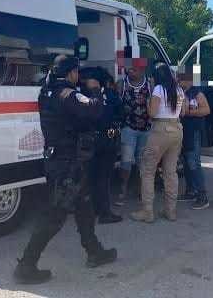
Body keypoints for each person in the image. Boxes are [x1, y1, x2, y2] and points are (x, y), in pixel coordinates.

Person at [14, 56, 117, 284]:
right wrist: (97, 91)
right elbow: (94, 110)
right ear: (71, 73)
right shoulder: (67, 94)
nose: (78, 77)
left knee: (84, 205)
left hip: (59, 160)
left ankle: (94, 251)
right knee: (55, 215)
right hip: (67, 163)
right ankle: (27, 265)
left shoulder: (47, 91)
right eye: (76, 73)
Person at [131, 63, 186, 223]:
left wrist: (148, 101)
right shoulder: (179, 90)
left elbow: (153, 113)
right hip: (177, 130)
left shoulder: (158, 90)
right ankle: (171, 211)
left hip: (160, 130)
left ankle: (147, 211)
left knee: (148, 170)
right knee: (170, 172)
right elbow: (183, 112)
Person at [82, 68, 124, 224]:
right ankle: (104, 213)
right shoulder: (112, 95)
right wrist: (111, 135)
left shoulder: (83, 95)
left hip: (90, 141)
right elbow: (120, 118)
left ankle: (93, 210)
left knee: (91, 177)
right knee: (103, 178)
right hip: (106, 142)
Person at [116, 64, 152, 206]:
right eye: (128, 68)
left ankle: (140, 190)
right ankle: (122, 190)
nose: (130, 71)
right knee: (126, 161)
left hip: (146, 129)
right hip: (128, 128)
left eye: (133, 69)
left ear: (142, 69)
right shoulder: (122, 84)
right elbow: (117, 103)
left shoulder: (150, 83)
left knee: (142, 162)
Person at [177, 72, 211, 210]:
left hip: (193, 131)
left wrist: (188, 113)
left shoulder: (196, 93)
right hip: (184, 131)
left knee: (193, 162)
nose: (178, 81)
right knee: (186, 161)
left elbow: (206, 110)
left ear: (189, 80)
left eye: (181, 79)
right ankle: (190, 191)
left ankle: (202, 195)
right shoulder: (182, 92)